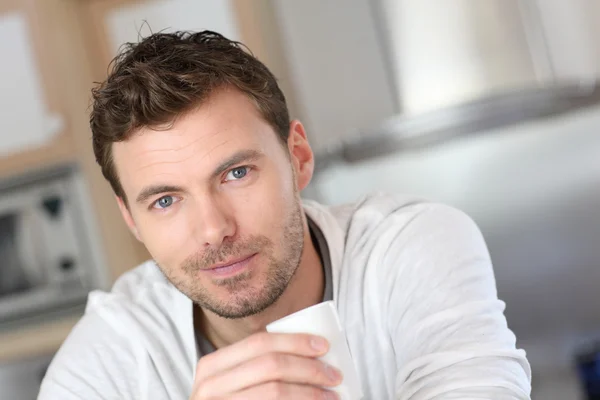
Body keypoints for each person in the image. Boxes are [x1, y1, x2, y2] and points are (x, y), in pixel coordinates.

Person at [38, 31, 531, 399]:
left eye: (235, 174)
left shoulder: (409, 248)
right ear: (130, 219)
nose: (214, 230)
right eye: (166, 201)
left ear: (297, 157)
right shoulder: (110, 358)